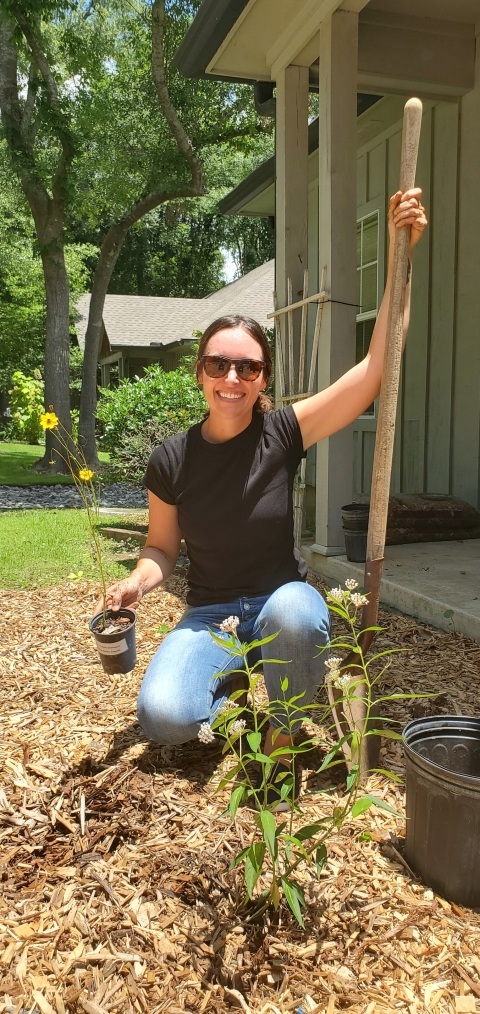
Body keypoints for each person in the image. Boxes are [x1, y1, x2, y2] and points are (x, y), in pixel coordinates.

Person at [96, 189, 427, 807]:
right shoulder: (171, 459)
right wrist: (138, 584)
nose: (232, 379)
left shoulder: (284, 431)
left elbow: (376, 369)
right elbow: (161, 548)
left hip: (282, 601)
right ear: (199, 371)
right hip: (209, 617)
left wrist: (397, 254)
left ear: (263, 379)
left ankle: (281, 732)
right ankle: (247, 682)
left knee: (297, 616)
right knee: (163, 719)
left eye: (247, 368)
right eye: (219, 364)